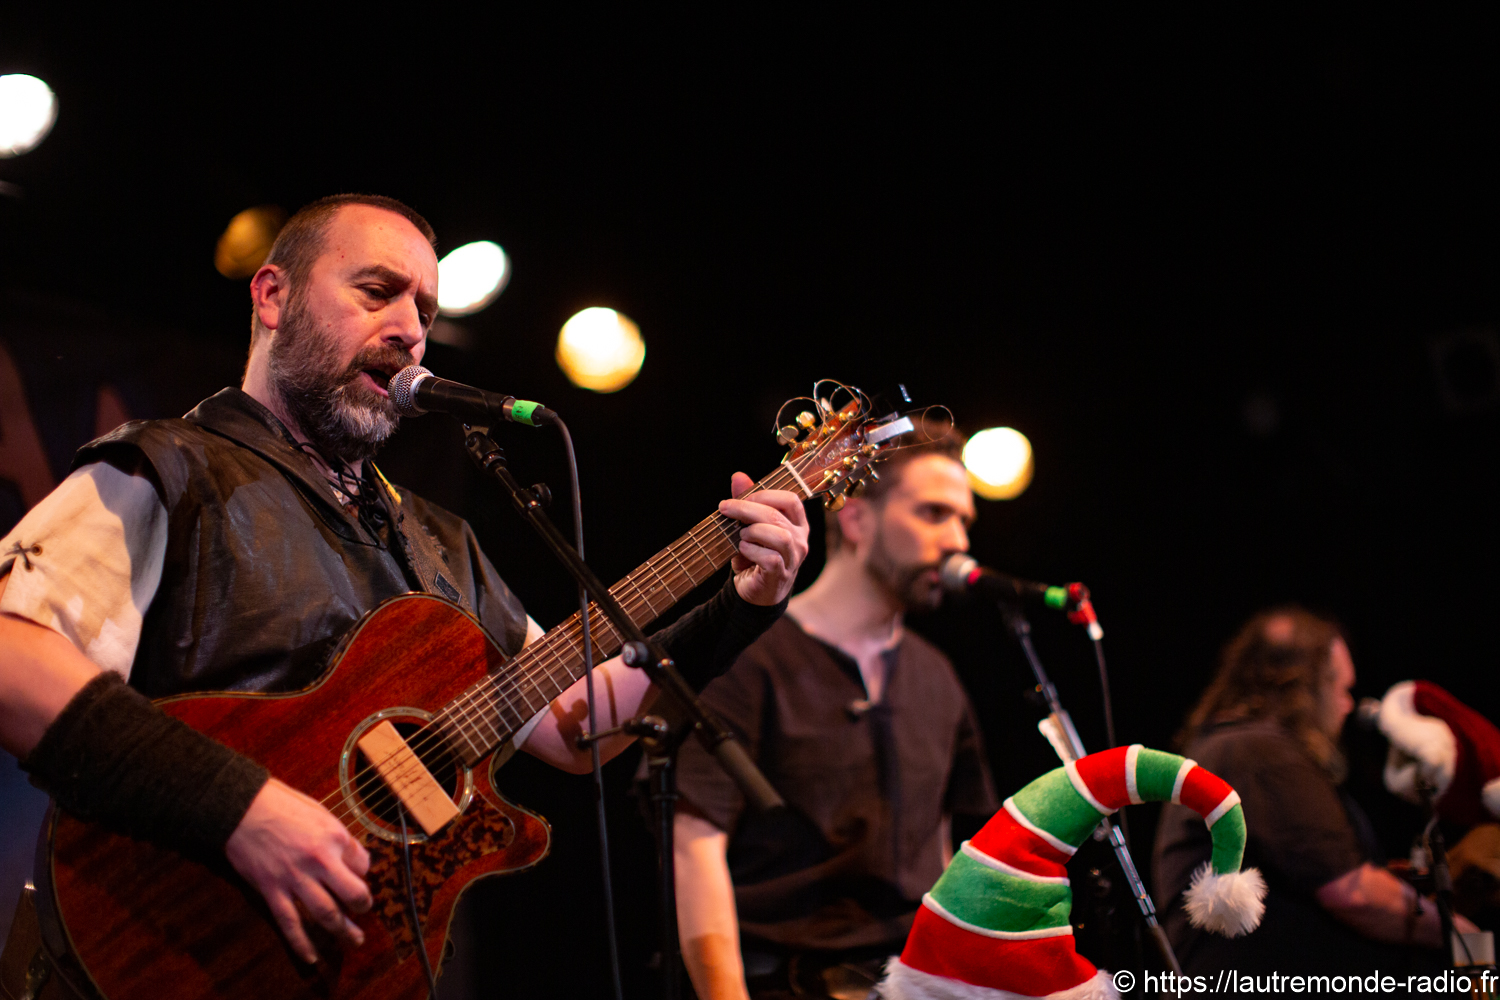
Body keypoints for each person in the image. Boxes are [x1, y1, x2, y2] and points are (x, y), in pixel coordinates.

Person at [0, 194, 810, 968]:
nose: (412, 331)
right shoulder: (173, 467)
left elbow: (577, 725)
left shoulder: (435, 541)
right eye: (377, 291)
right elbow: (9, 654)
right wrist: (241, 807)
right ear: (273, 296)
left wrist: (740, 603)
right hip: (159, 948)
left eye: (424, 310)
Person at [669, 432, 998, 1000]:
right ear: (857, 520)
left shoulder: (937, 675)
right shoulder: (750, 657)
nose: (958, 541)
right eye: (934, 513)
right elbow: (695, 849)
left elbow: (944, 849)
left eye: (964, 521)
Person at [1151, 607, 1479, 975]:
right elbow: (1354, 895)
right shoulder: (1260, 754)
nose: (1348, 705)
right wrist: (1463, 936)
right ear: (1304, 687)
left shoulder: (1228, 749)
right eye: (1341, 689)